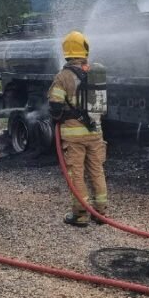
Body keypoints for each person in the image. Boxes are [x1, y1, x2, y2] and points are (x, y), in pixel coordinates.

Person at [47, 31, 108, 227]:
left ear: (66, 51)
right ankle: (100, 212)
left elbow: (55, 105)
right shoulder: (93, 73)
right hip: (95, 132)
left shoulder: (63, 76)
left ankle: (81, 215)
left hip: (74, 136)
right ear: (85, 50)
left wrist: (59, 116)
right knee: (97, 170)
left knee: (76, 174)